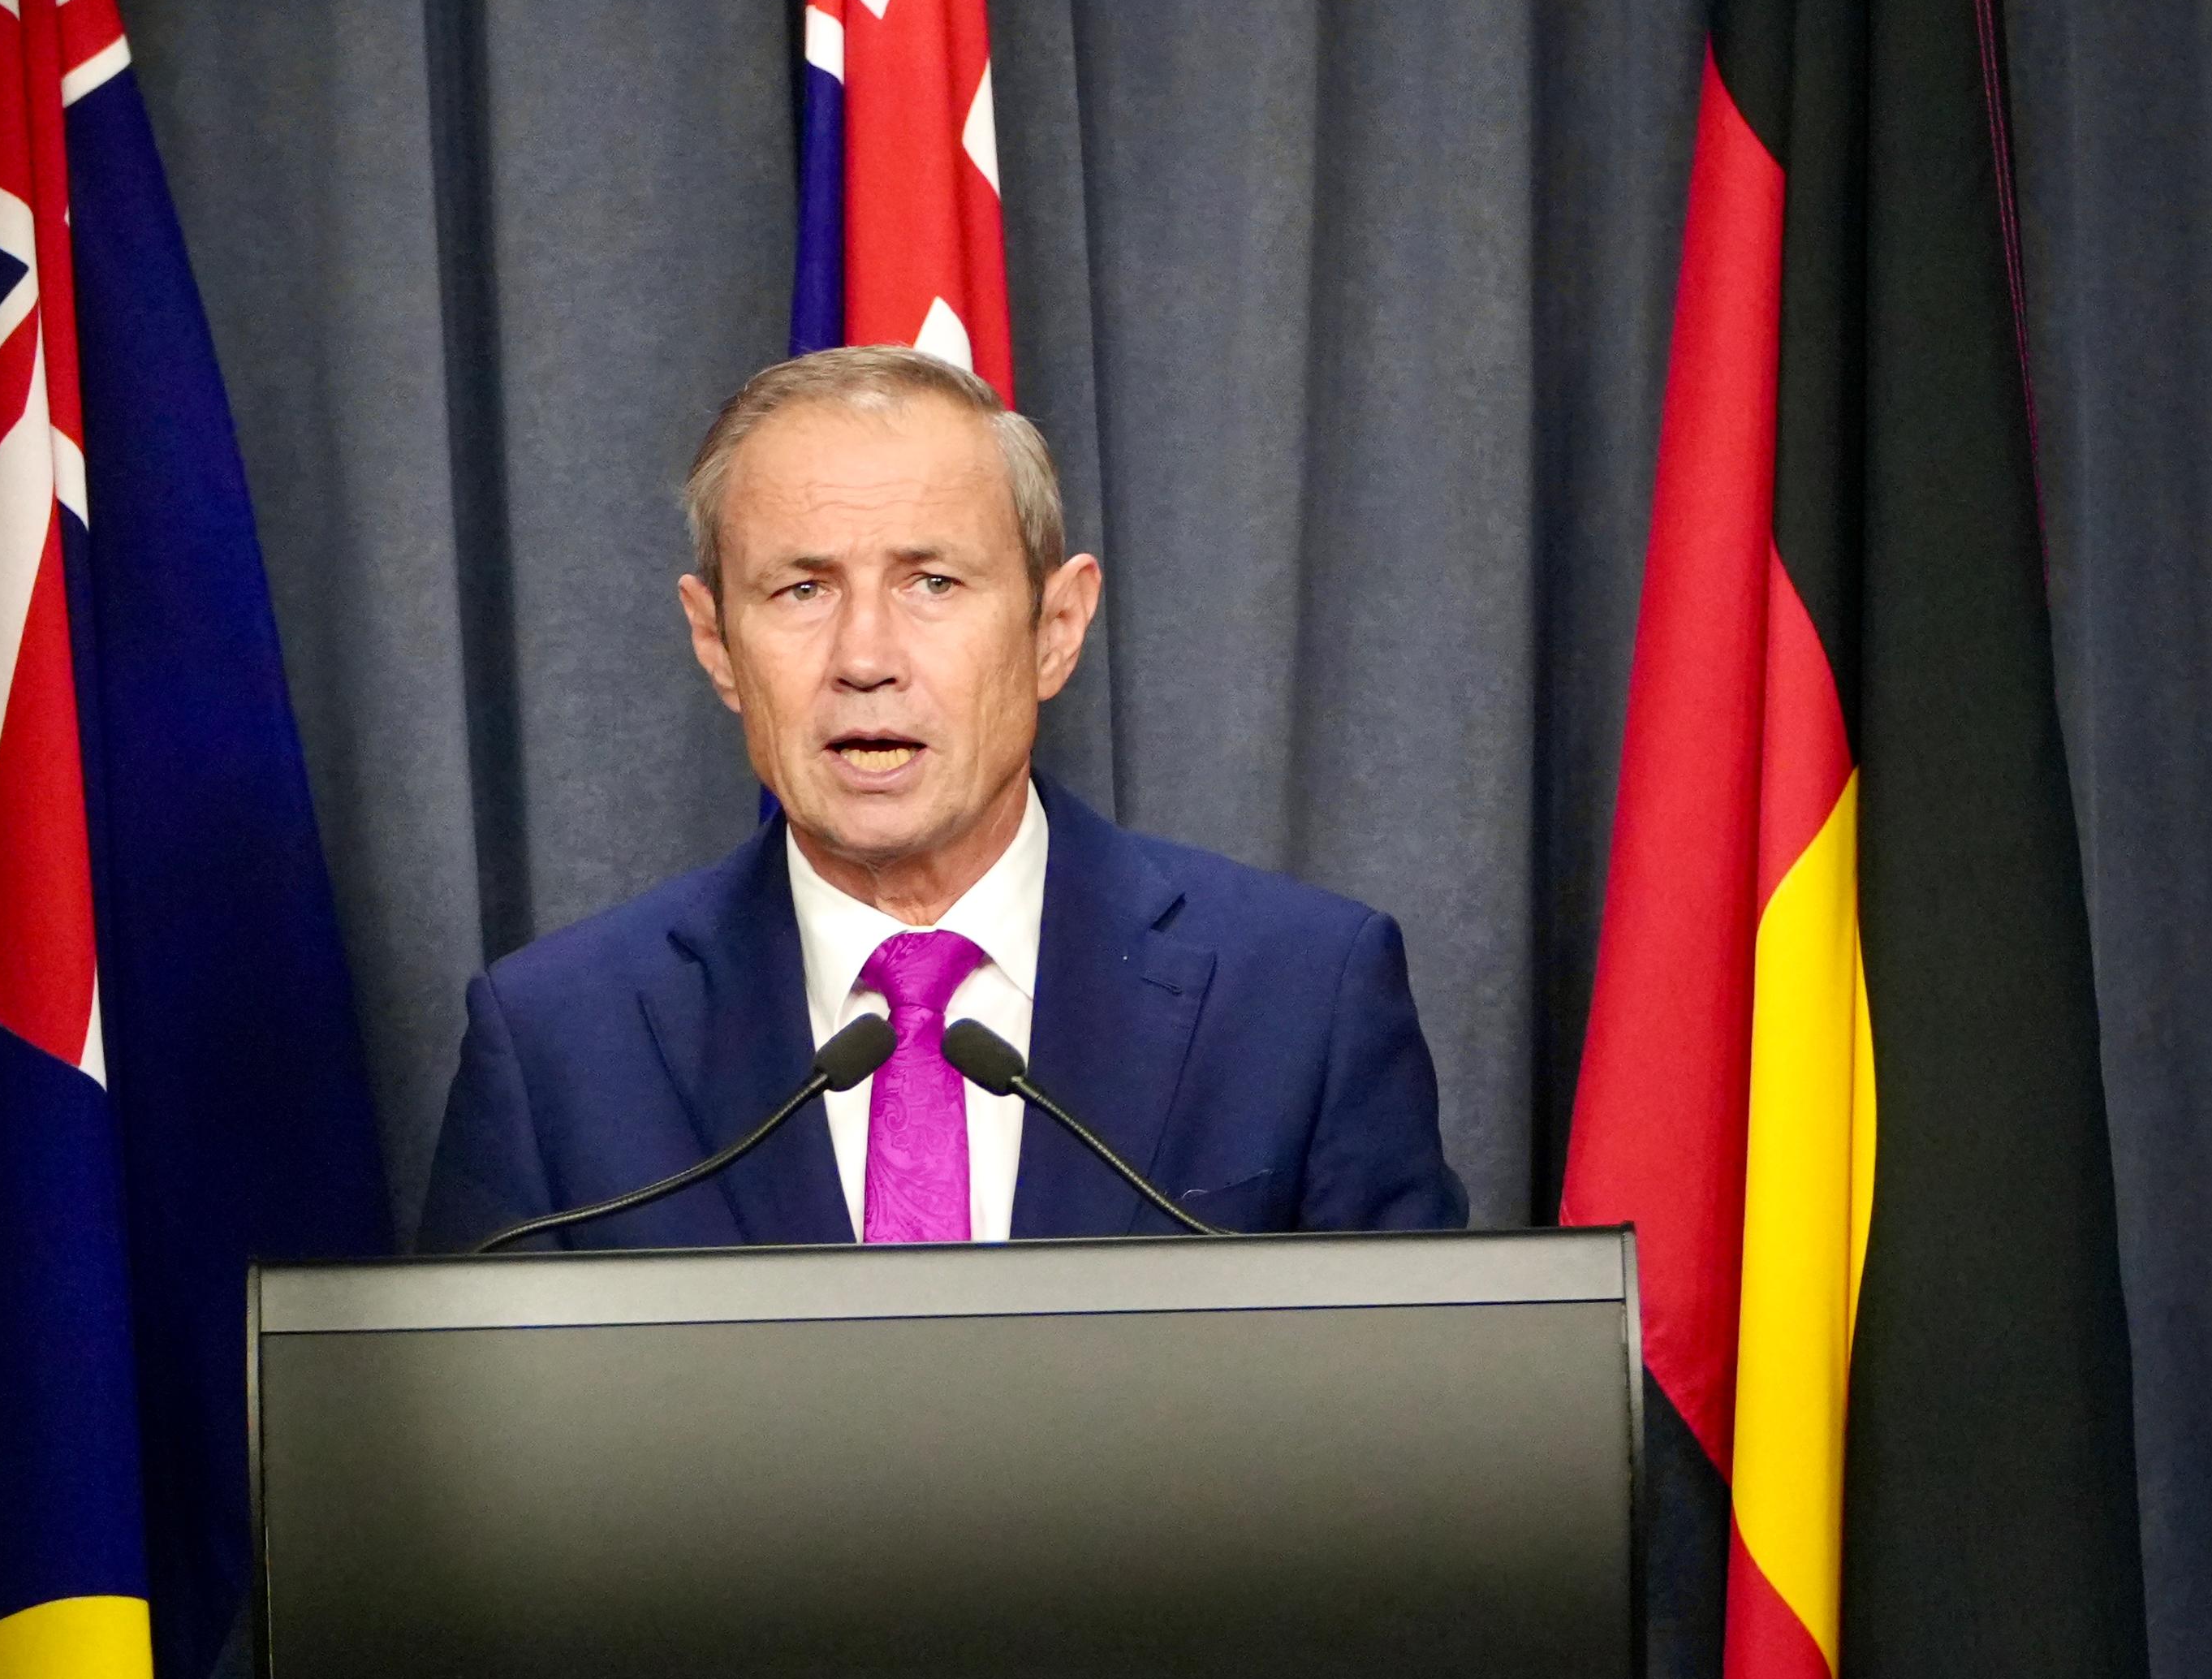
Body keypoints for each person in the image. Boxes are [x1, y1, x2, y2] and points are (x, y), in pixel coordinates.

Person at [416, 347, 1468, 1254]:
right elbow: (476, 1476)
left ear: (1056, 627)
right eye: (802, 589)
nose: (865, 658)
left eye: (933, 583)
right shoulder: (556, 1044)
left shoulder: (1300, 998)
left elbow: (1419, 1442)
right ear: (715, 644)